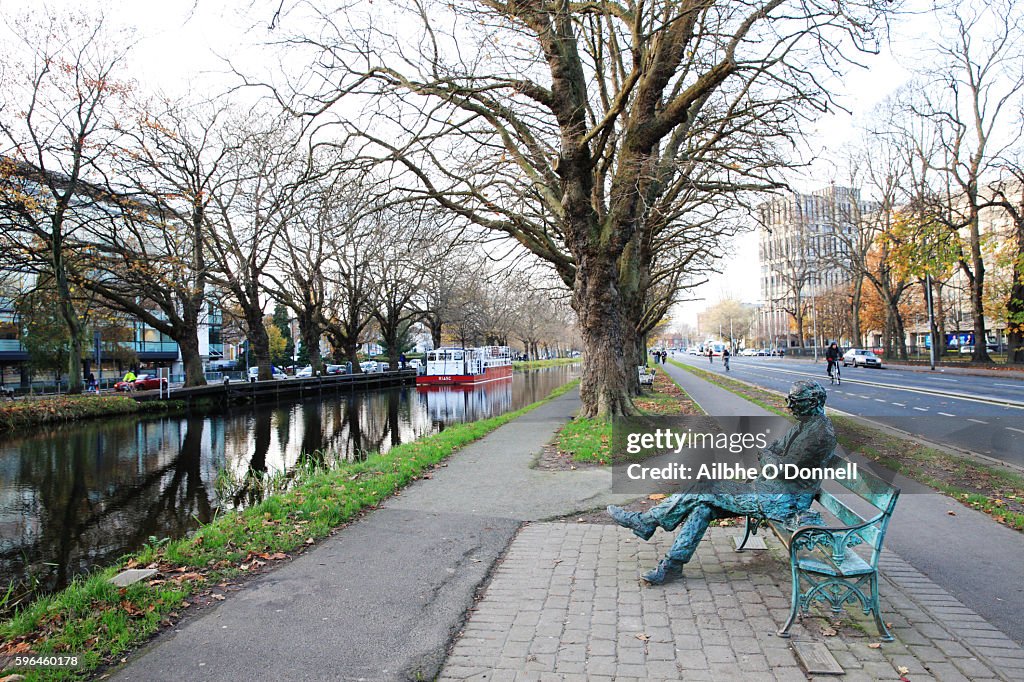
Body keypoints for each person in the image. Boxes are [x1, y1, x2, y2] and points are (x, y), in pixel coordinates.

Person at [607, 380, 837, 584]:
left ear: (813, 401)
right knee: (703, 506)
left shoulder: (819, 433)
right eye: (789, 400)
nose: (789, 406)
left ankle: (646, 522)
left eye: (795, 401)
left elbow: (780, 467)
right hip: (769, 490)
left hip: (782, 503)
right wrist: (770, 459)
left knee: (705, 486)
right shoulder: (805, 425)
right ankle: (671, 565)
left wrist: (770, 459)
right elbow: (770, 452)